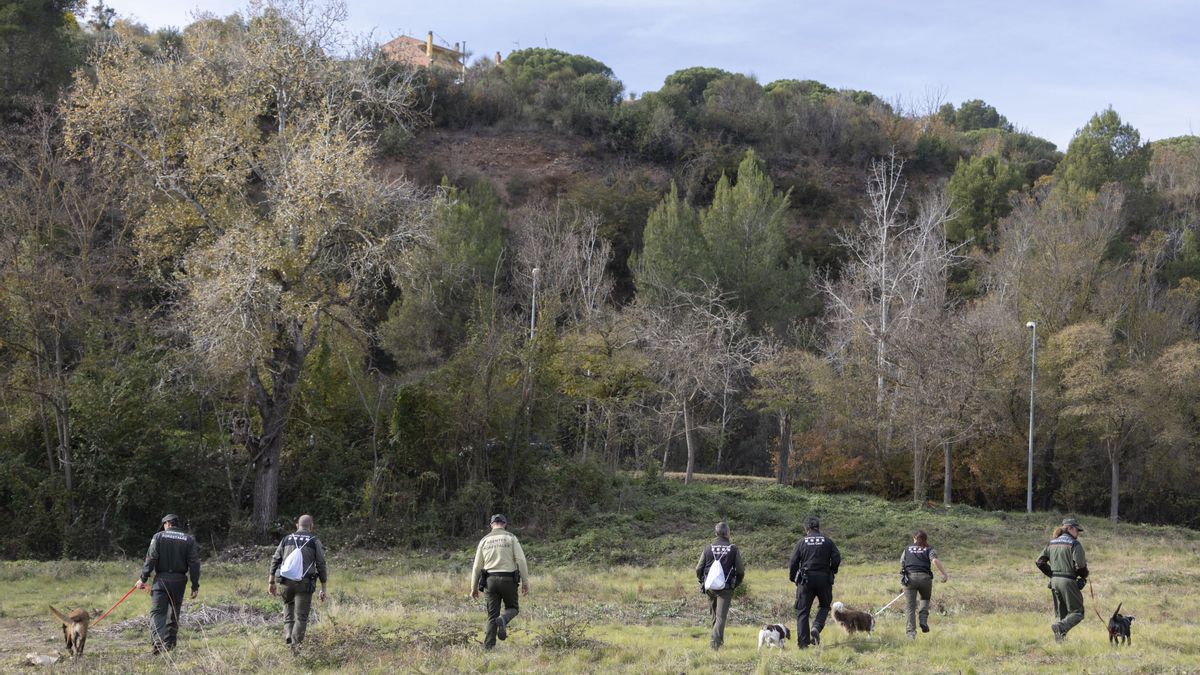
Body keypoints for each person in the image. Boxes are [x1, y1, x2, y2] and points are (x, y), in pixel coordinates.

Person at [136, 514, 201, 654]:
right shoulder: (189, 539)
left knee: (158, 612)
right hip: (179, 582)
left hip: (161, 581)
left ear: (167, 524)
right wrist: (195, 586)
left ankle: (157, 642)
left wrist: (143, 578)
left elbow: (151, 558)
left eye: (164, 524)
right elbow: (194, 564)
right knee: (174, 613)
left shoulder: (158, 537)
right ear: (176, 524)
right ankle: (170, 645)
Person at [268, 514, 328, 653]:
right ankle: (295, 649)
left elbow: (275, 560)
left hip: (285, 583)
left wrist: (271, 582)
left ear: (297, 525)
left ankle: (289, 633)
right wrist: (323, 587)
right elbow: (321, 565)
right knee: (301, 617)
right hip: (304, 584)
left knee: (288, 608)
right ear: (311, 526)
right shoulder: (314, 541)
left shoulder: (286, 539)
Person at [469, 514, 530, 649]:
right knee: (513, 608)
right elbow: (521, 560)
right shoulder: (511, 537)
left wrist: (473, 588)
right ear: (505, 524)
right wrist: (525, 582)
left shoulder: (484, 540)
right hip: (508, 580)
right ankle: (503, 619)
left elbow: (477, 567)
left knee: (492, 615)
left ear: (491, 525)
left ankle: (489, 647)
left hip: (490, 581)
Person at [788, 515, 840, 648]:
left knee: (803, 611)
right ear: (818, 528)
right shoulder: (828, 541)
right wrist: (832, 571)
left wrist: (793, 577)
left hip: (805, 580)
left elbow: (793, 562)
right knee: (824, 606)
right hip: (824, 578)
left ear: (806, 529)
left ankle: (803, 644)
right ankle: (816, 627)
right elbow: (836, 558)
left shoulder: (801, 542)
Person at [694, 521, 746, 650]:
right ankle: (715, 644)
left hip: (710, 587)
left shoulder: (708, 548)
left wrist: (702, 581)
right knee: (721, 617)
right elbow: (740, 570)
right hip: (726, 588)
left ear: (716, 533)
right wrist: (736, 583)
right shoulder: (732, 548)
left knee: (714, 616)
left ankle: (718, 641)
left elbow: (698, 568)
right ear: (728, 533)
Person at [1036, 517, 1089, 642]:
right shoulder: (1074, 544)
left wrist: (1053, 574)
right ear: (1070, 528)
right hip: (1068, 581)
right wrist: (1083, 576)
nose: (1078, 533)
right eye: (1077, 530)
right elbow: (1080, 566)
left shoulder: (1052, 542)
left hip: (1054, 581)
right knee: (1077, 612)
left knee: (1061, 614)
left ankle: (1060, 642)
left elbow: (1039, 562)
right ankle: (1060, 627)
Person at [899, 530, 949, 639]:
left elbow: (902, 562)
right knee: (925, 599)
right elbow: (934, 560)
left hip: (910, 579)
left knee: (910, 607)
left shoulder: (907, 549)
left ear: (914, 538)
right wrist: (944, 574)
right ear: (926, 539)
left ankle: (911, 633)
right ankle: (923, 620)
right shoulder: (930, 549)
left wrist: (904, 574)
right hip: (925, 578)